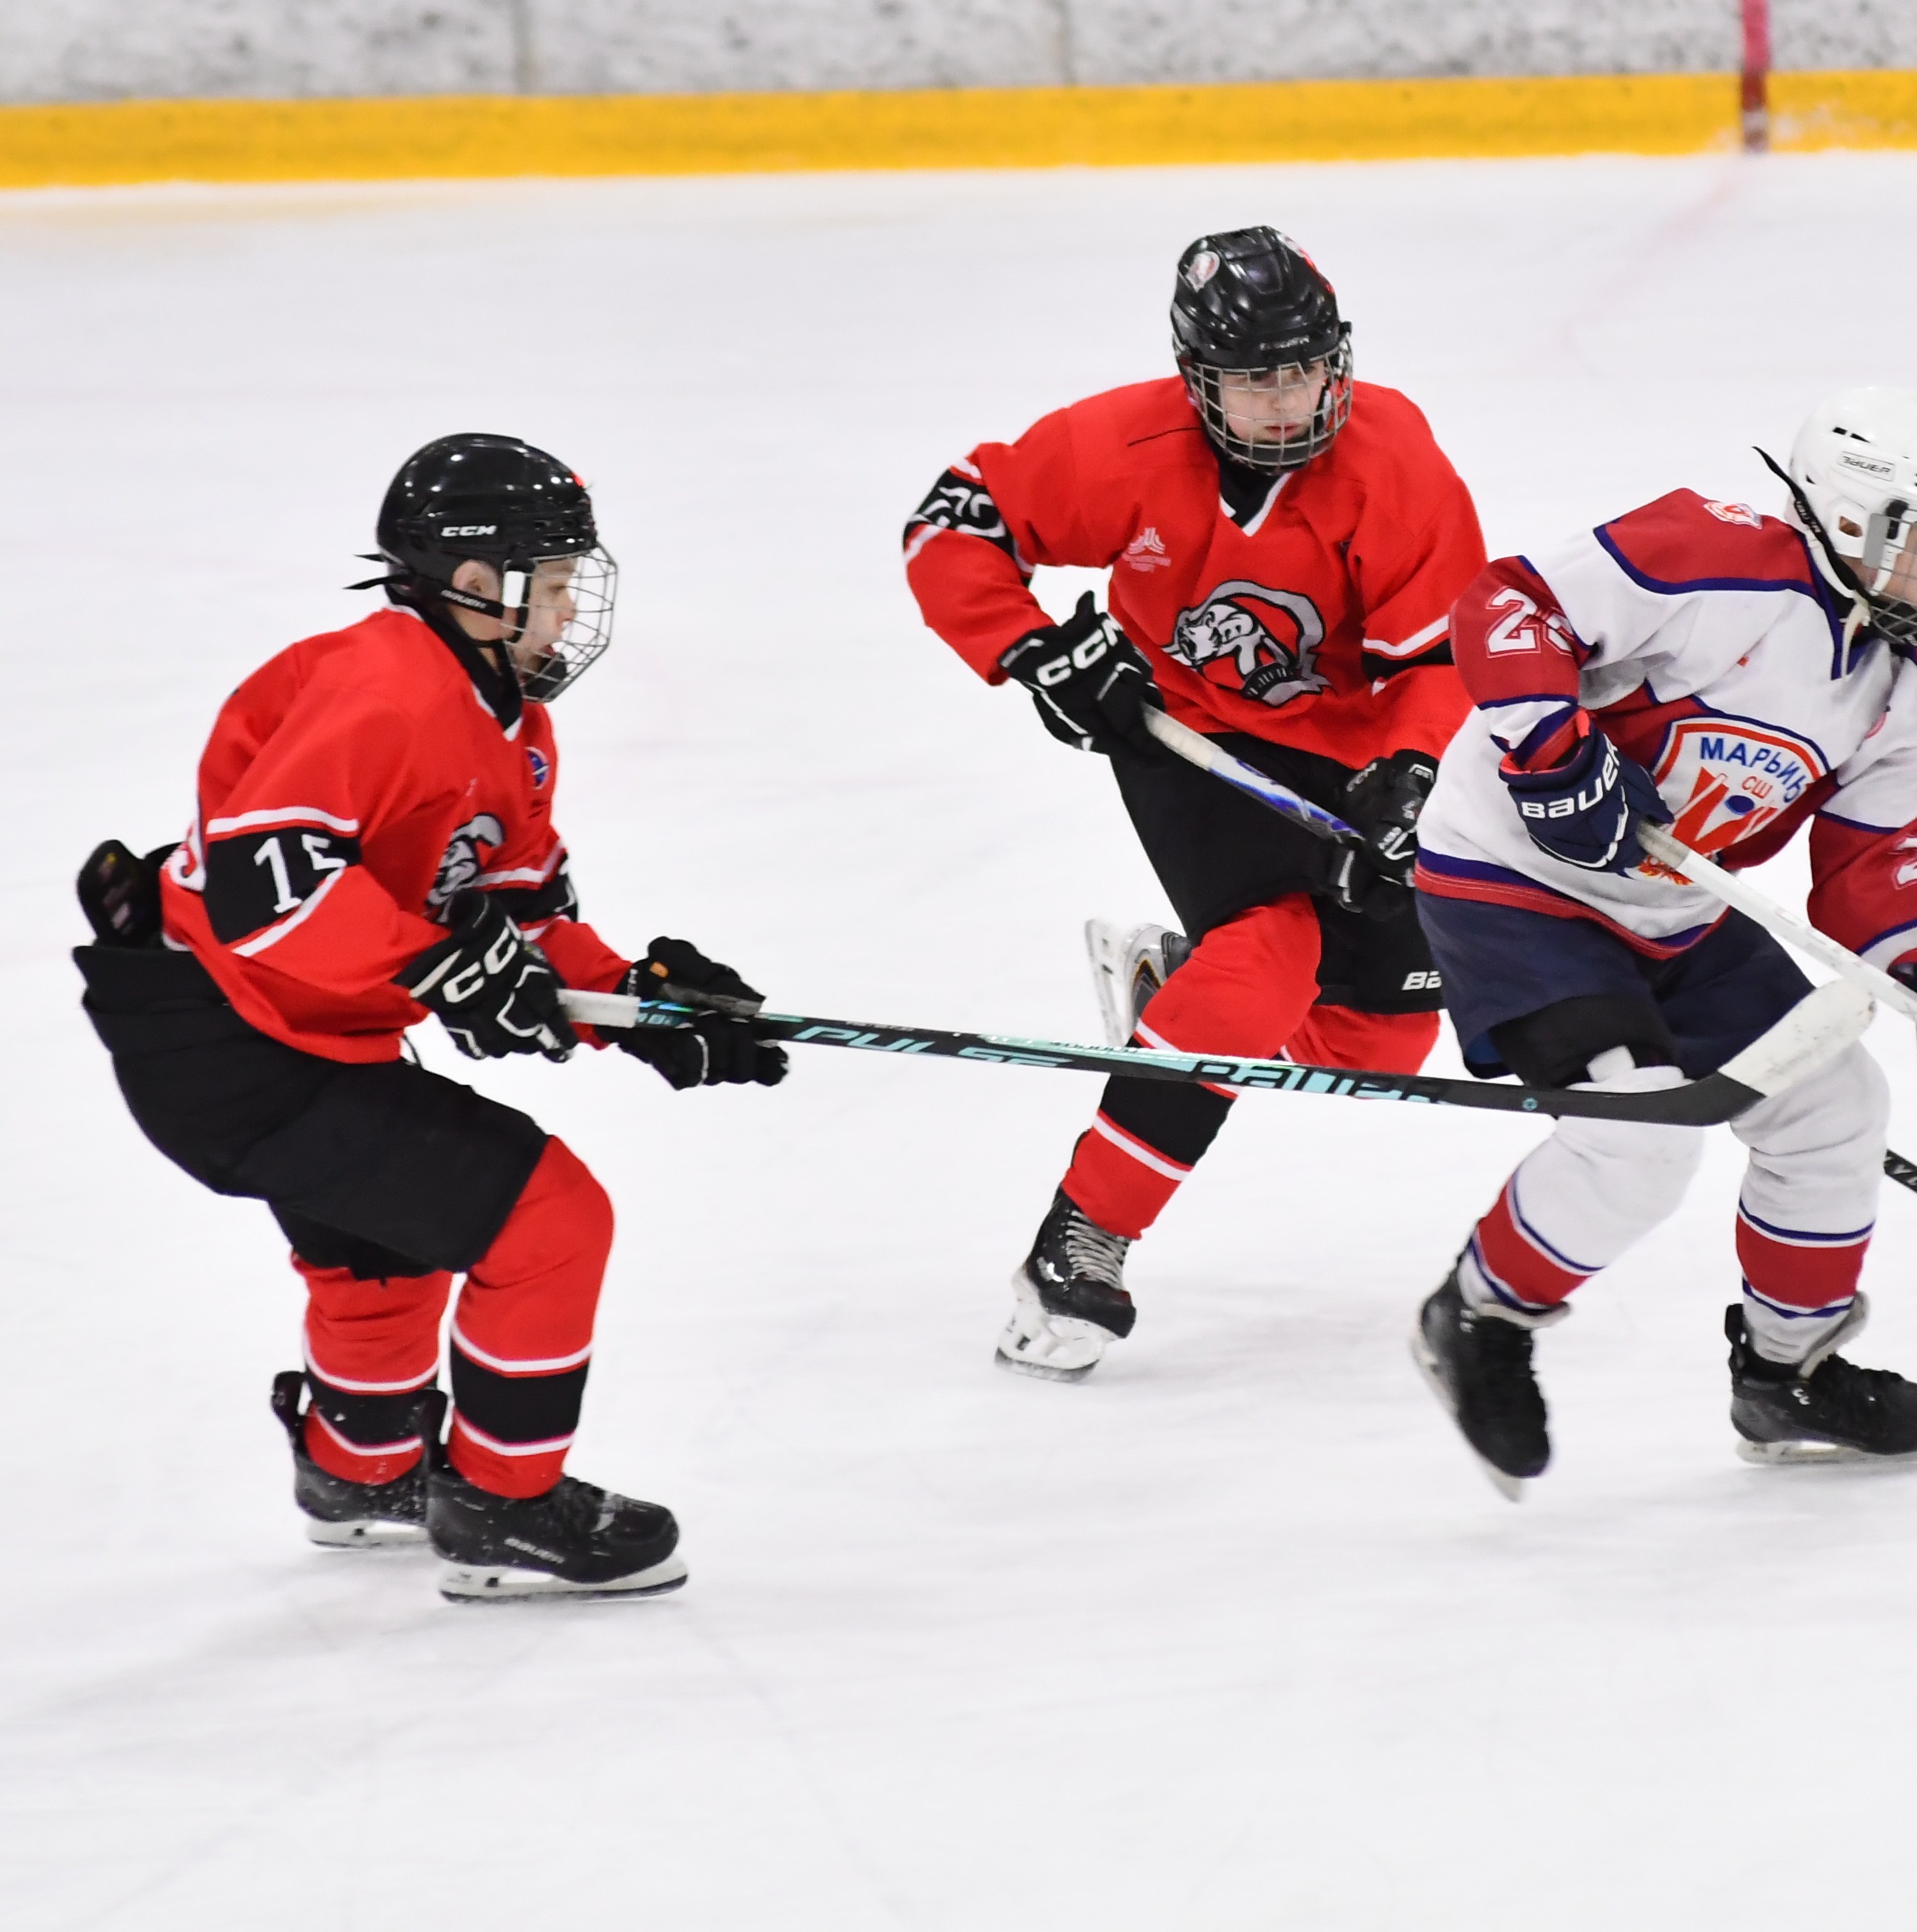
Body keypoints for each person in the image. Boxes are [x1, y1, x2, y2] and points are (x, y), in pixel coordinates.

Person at [72, 435, 787, 1601]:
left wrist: (644, 1003)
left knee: (383, 1263)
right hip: (231, 1043)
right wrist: (445, 970)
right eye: (548, 584)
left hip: (281, 1033)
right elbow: (264, 885)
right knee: (550, 1219)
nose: (568, 611)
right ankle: (503, 1508)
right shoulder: (386, 686)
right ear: (470, 581)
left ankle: (359, 1476)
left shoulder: (508, 722)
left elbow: (513, 909)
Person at [1403, 386, 1917, 1495]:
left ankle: (1786, 1375)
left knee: (1834, 1107)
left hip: (1679, 912)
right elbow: (1507, 608)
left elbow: (1872, 869)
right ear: (1854, 522)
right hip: (1513, 879)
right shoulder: (1713, 556)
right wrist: (1554, 755)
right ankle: (1480, 1317)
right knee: (1640, 1140)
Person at [905, 226, 1488, 1380]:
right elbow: (952, 521)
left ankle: (1172, 998)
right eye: (1254, 377)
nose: (1289, 402)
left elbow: (1438, 656)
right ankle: (1081, 1243)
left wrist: (1414, 775)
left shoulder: (1393, 457)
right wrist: (1034, 653)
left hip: (1357, 753)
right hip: (1190, 735)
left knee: (1383, 1037)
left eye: (1308, 369)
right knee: (1261, 964)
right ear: (1197, 380)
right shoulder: (1125, 444)